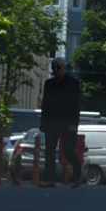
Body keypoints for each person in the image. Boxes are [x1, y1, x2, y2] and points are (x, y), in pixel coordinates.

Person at [39, 57, 82, 188]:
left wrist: (74, 123)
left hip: (67, 123)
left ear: (64, 69)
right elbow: (45, 103)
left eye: (58, 67)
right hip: (51, 122)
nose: (56, 70)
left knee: (68, 151)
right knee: (49, 151)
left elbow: (76, 105)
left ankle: (77, 175)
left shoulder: (73, 83)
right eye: (53, 68)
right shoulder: (48, 83)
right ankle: (49, 179)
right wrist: (43, 121)